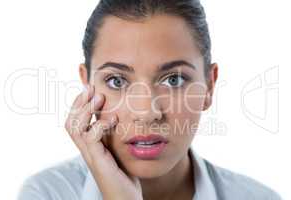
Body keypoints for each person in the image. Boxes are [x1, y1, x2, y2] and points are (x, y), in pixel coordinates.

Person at [17, 0, 282, 199]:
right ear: (87, 84)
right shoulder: (46, 194)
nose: (146, 112)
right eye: (117, 81)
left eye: (174, 80)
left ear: (209, 86)